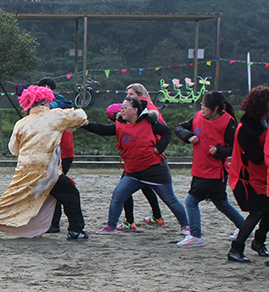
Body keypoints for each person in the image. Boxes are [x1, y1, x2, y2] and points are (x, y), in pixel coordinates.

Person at [0, 85, 89, 241]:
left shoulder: (21, 123)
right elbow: (80, 116)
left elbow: (13, 149)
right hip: (47, 169)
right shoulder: (56, 115)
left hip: (25, 168)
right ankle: (75, 231)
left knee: (11, 198)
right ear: (46, 101)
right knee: (70, 194)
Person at [82, 97, 190, 236]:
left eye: (125, 107)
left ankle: (186, 226)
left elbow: (167, 131)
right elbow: (102, 129)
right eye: (121, 108)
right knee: (118, 195)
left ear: (135, 110)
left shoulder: (149, 122)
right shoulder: (120, 124)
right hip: (133, 171)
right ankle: (111, 226)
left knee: (170, 200)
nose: (121, 110)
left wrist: (159, 148)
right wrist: (86, 124)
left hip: (155, 170)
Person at [174, 91, 244, 248]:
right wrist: (188, 136)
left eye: (205, 106)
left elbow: (236, 147)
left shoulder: (227, 122)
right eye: (202, 105)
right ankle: (244, 227)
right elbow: (178, 127)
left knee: (191, 200)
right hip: (199, 169)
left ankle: (195, 236)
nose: (202, 109)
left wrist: (219, 151)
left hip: (215, 172)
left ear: (216, 108)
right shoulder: (198, 116)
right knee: (221, 203)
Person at [226, 85, 269, 263]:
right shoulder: (247, 128)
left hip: (261, 177)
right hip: (245, 178)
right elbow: (256, 157)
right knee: (257, 212)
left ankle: (258, 242)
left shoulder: (263, 122)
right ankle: (236, 249)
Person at [118, 83, 165, 231]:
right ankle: (157, 216)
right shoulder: (148, 106)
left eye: (131, 94)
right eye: (127, 94)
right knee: (146, 186)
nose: (128, 97)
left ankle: (129, 221)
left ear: (139, 94)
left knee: (123, 189)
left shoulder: (144, 108)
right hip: (147, 154)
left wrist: (158, 148)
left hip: (144, 155)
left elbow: (161, 129)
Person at [37, 77, 75, 234]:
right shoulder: (62, 104)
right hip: (60, 152)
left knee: (55, 188)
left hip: (61, 152)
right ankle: (52, 222)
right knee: (53, 187)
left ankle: (54, 223)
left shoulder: (56, 104)